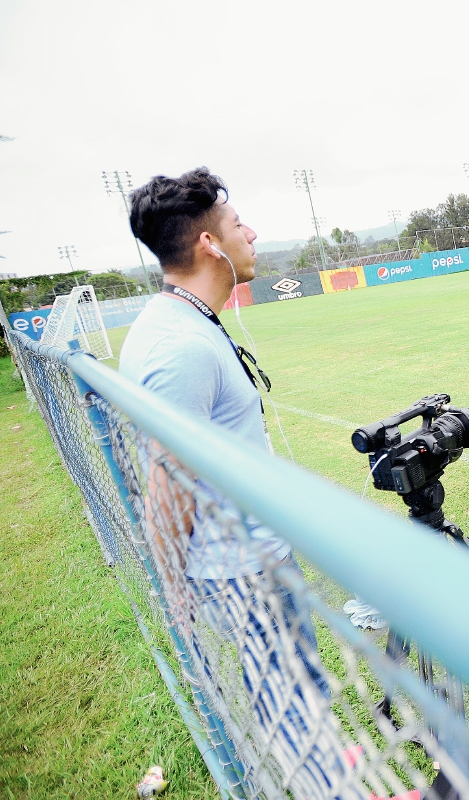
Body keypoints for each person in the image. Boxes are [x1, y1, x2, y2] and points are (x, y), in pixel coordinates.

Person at [119, 167, 330, 706]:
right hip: (243, 573)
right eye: (239, 224)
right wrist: (175, 592)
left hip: (245, 564)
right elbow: (167, 485)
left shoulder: (178, 322)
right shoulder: (180, 348)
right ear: (210, 243)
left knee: (297, 705)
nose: (252, 234)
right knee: (298, 710)